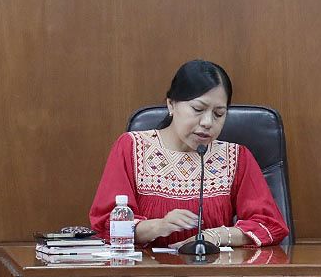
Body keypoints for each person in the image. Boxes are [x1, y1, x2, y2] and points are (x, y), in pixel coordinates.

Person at [90, 60, 289, 248]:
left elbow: (269, 225)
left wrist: (215, 236)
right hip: (147, 275)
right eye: (198, 109)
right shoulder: (131, 148)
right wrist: (158, 226)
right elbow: (107, 225)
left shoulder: (236, 157)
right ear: (171, 104)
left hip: (211, 275)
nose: (208, 122)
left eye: (219, 114)